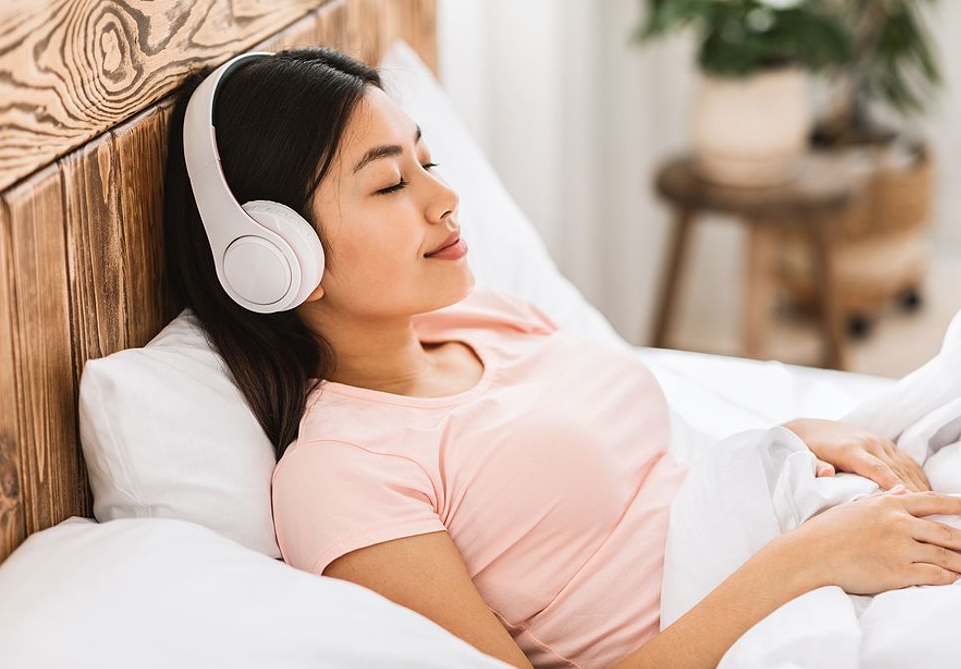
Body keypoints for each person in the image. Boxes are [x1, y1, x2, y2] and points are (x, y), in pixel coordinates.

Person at [161, 47, 961, 669]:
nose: (444, 199)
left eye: (427, 163)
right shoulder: (342, 474)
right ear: (273, 259)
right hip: (768, 611)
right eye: (387, 187)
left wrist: (793, 439)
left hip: (789, 536)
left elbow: (654, 480)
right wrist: (808, 562)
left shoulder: (482, 317)